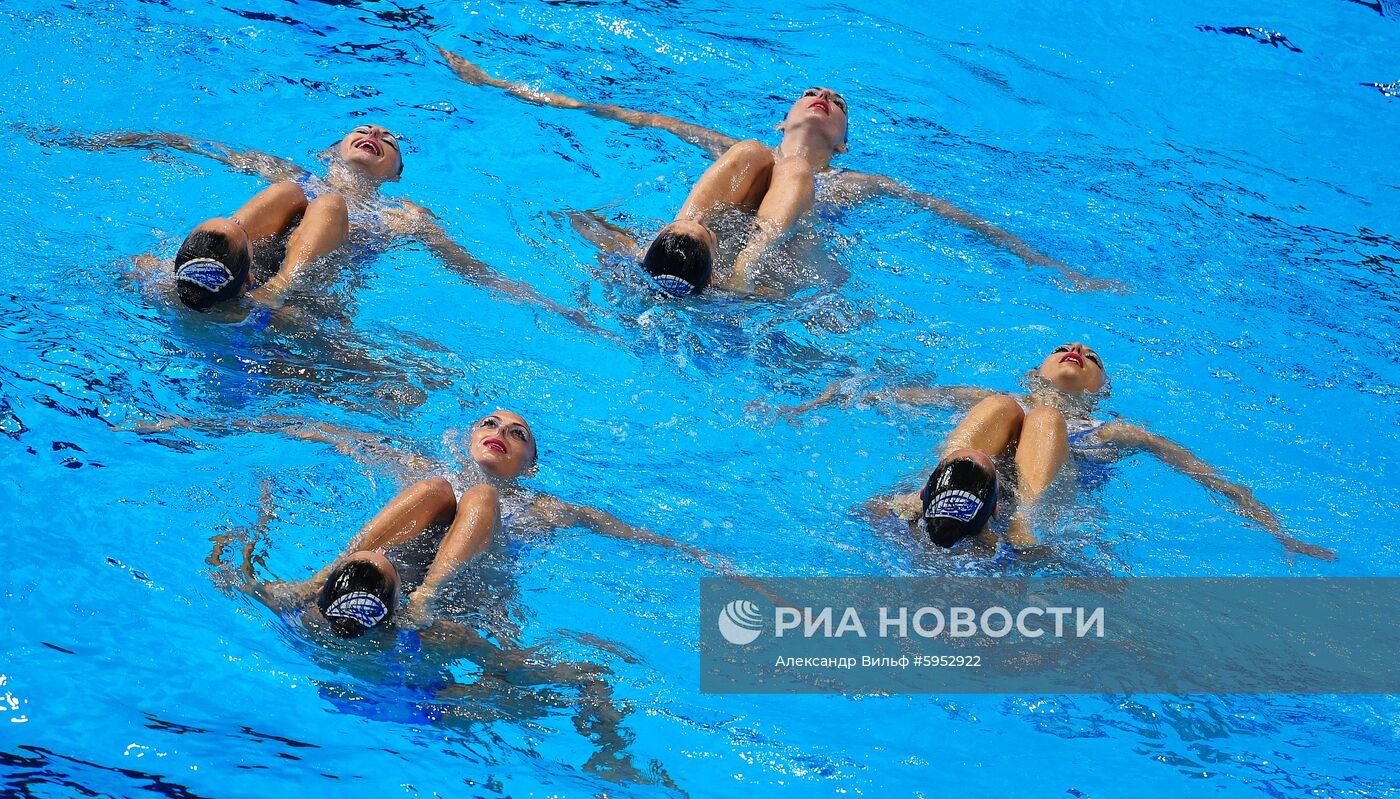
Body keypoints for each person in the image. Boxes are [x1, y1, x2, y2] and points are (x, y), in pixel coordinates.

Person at [438, 46, 1114, 295]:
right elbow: (619, 113)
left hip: (760, 282)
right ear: (784, 113)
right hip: (691, 256)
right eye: (814, 94)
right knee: (755, 158)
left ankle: (739, 268)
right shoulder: (744, 147)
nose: (824, 98)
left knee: (794, 177)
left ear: (843, 142)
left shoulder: (850, 182)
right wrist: (499, 83)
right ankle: (683, 244)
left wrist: (1054, 268)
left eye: (838, 104)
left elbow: (960, 220)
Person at [207, 484, 678, 787]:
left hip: (343, 694)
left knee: (443, 491)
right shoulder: (440, 638)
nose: (386, 552)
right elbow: (506, 668)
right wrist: (518, 650)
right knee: (588, 676)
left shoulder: (308, 619)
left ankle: (329, 574)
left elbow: (232, 575)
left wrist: (254, 523)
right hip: (427, 707)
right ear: (396, 607)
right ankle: (611, 757)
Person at [784, 342, 1335, 560]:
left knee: (1044, 418)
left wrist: (1275, 530)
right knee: (1004, 406)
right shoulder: (991, 399)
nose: (1075, 351)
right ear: (1035, 371)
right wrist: (821, 399)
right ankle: (922, 496)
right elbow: (882, 396)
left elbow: (1210, 478)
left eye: (1089, 356)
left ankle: (1021, 523)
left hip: (1025, 507)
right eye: (1063, 349)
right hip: (971, 491)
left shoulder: (1116, 432)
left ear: (1102, 390)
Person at [82, 124, 590, 324]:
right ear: (330, 151)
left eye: (388, 141)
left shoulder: (402, 215)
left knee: (328, 207)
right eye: (363, 130)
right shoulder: (289, 174)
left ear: (396, 173)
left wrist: (543, 302)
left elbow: (468, 268)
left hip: (304, 291)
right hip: (249, 272)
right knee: (286, 193)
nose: (376, 134)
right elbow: (199, 145)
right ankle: (206, 264)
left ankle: (272, 289)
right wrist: (119, 139)